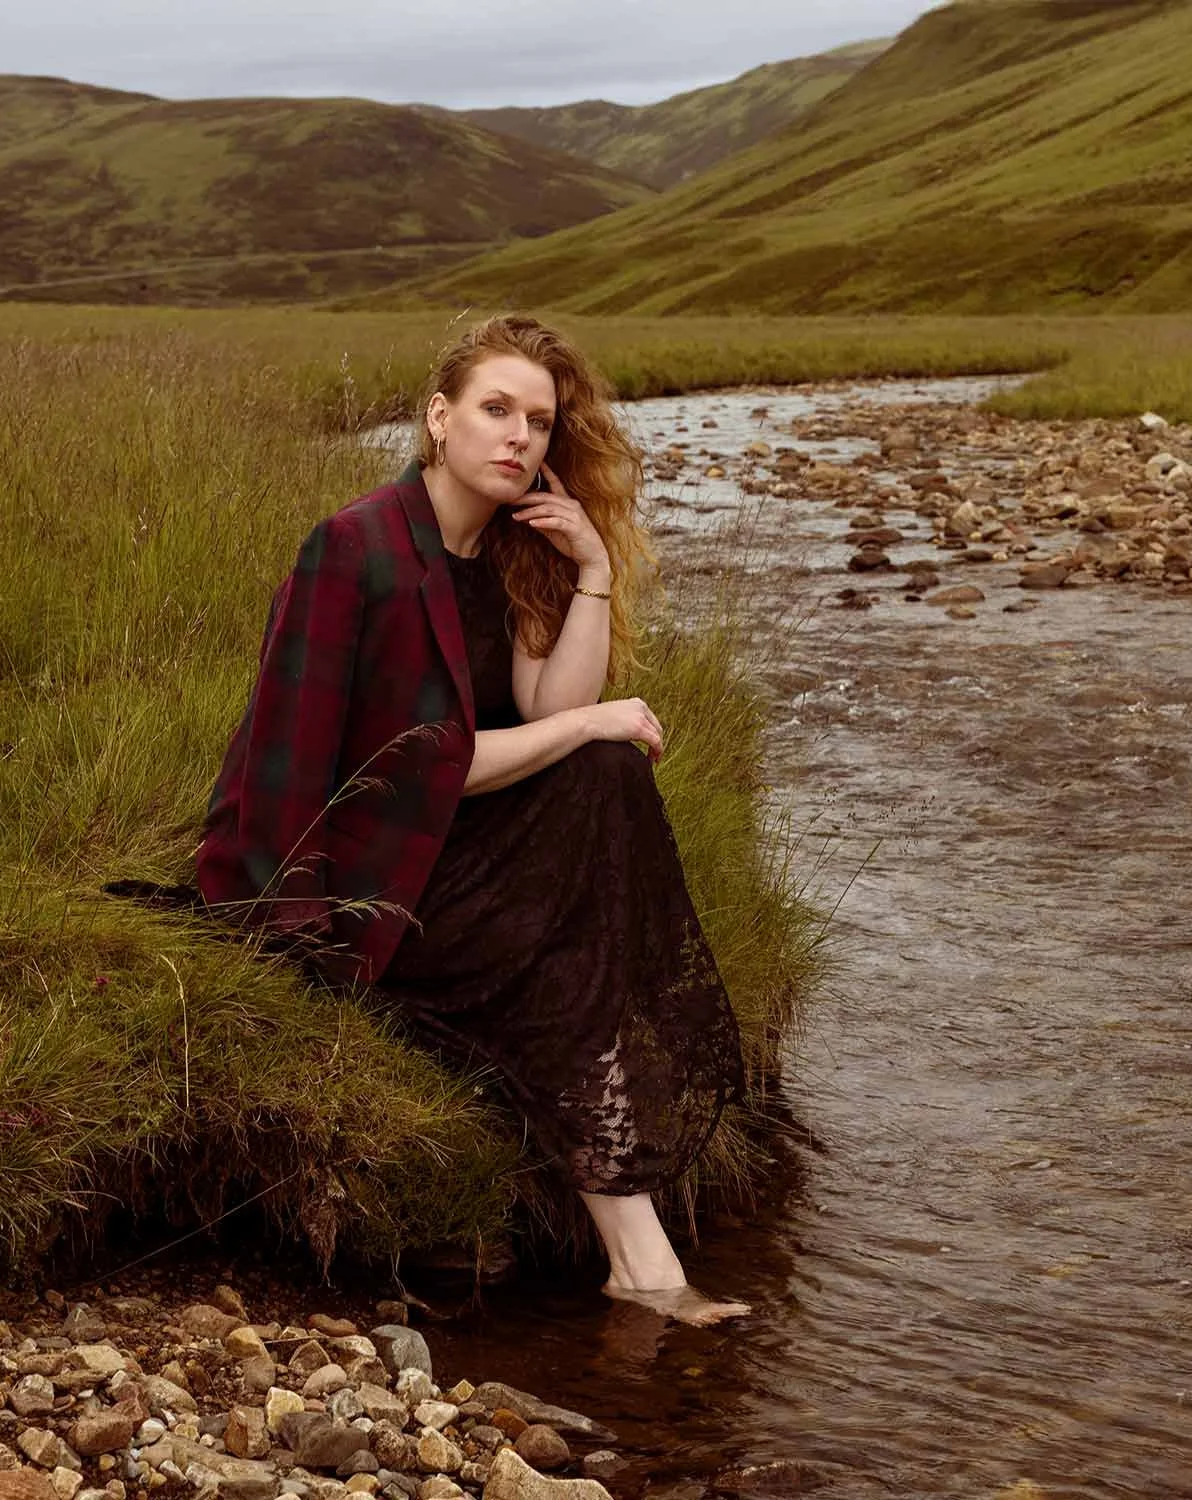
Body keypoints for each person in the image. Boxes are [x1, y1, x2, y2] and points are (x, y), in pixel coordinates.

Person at [196, 315, 750, 1326]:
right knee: (593, 801)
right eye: (495, 410)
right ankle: (642, 1262)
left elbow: (548, 712)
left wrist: (589, 568)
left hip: (451, 849)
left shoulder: (506, 552)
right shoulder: (354, 547)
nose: (520, 437)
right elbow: (412, 771)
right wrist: (589, 721)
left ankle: (640, 1263)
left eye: (538, 421)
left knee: (605, 781)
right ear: (437, 418)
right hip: (359, 878)